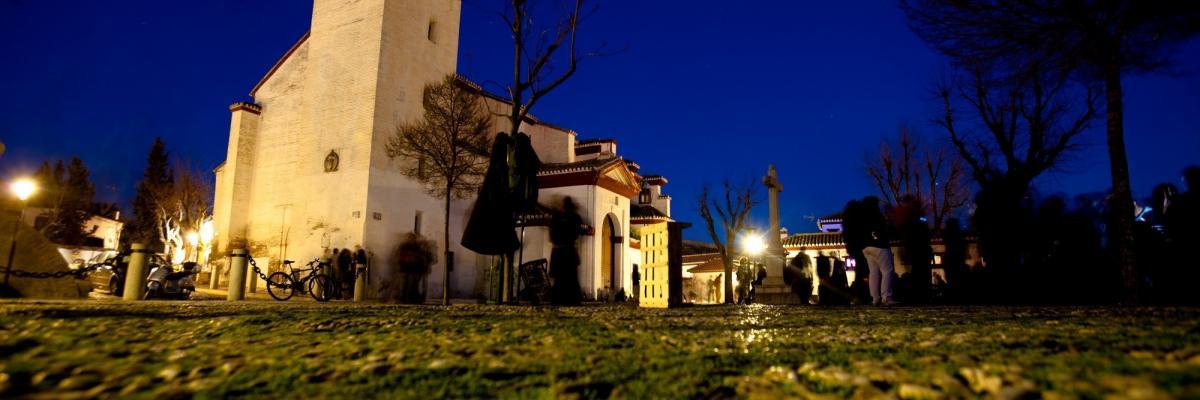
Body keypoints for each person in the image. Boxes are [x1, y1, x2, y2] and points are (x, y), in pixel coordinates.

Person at [861, 196, 897, 306]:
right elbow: (884, 229)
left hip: (866, 246)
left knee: (873, 272)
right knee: (887, 271)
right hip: (880, 245)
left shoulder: (862, 215)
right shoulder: (877, 214)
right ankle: (886, 296)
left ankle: (875, 298)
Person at [549, 197, 585, 305]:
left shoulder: (557, 217)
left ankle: (559, 299)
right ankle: (571, 300)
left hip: (559, 251)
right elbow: (578, 232)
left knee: (560, 278)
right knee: (570, 278)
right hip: (569, 250)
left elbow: (552, 236)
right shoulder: (575, 217)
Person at [393, 233, 435, 303]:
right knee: (406, 286)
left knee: (412, 286)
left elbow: (424, 257)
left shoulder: (416, 247)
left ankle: (408, 299)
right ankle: (405, 299)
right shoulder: (408, 246)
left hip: (413, 270)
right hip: (407, 269)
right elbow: (400, 257)